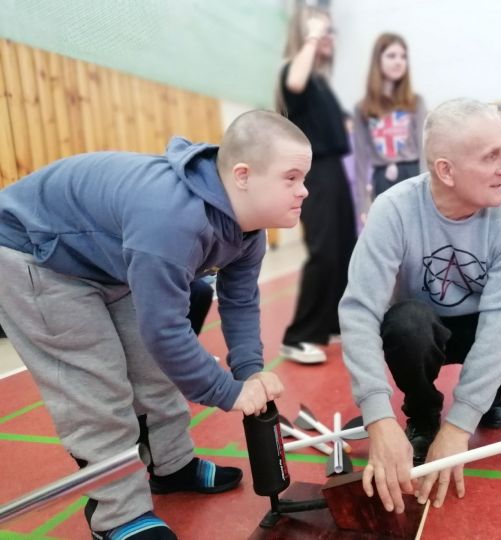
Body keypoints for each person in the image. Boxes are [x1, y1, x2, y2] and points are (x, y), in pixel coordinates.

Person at [0, 110, 304, 539]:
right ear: (243, 176)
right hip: (34, 255)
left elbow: (238, 300)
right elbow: (164, 330)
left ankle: (172, 465)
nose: (304, 191)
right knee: (96, 388)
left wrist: (250, 369)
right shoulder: (174, 220)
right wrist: (228, 393)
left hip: (107, 260)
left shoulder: (248, 231)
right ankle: (117, 515)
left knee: (153, 369)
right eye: (291, 178)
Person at [339, 99, 501, 513]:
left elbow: (500, 323)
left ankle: (492, 389)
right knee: (405, 324)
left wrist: (460, 425)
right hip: (425, 326)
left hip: (484, 323)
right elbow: (359, 311)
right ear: (446, 171)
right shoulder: (394, 210)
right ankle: (422, 412)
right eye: (491, 156)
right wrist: (378, 419)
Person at [276, 5, 357, 364]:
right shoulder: (295, 74)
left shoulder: (322, 82)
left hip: (334, 170)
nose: (330, 38)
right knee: (323, 250)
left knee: (343, 249)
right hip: (316, 171)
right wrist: (312, 32)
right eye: (324, 32)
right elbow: (294, 81)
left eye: (331, 32)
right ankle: (299, 336)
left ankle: (330, 323)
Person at [353, 33, 426, 221]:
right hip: (382, 180)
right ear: (378, 60)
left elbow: (424, 149)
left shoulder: (415, 103)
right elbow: (360, 160)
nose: (399, 62)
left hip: (413, 175)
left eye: (403, 57)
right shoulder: (363, 108)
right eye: (392, 56)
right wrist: (363, 204)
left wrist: (429, 190)